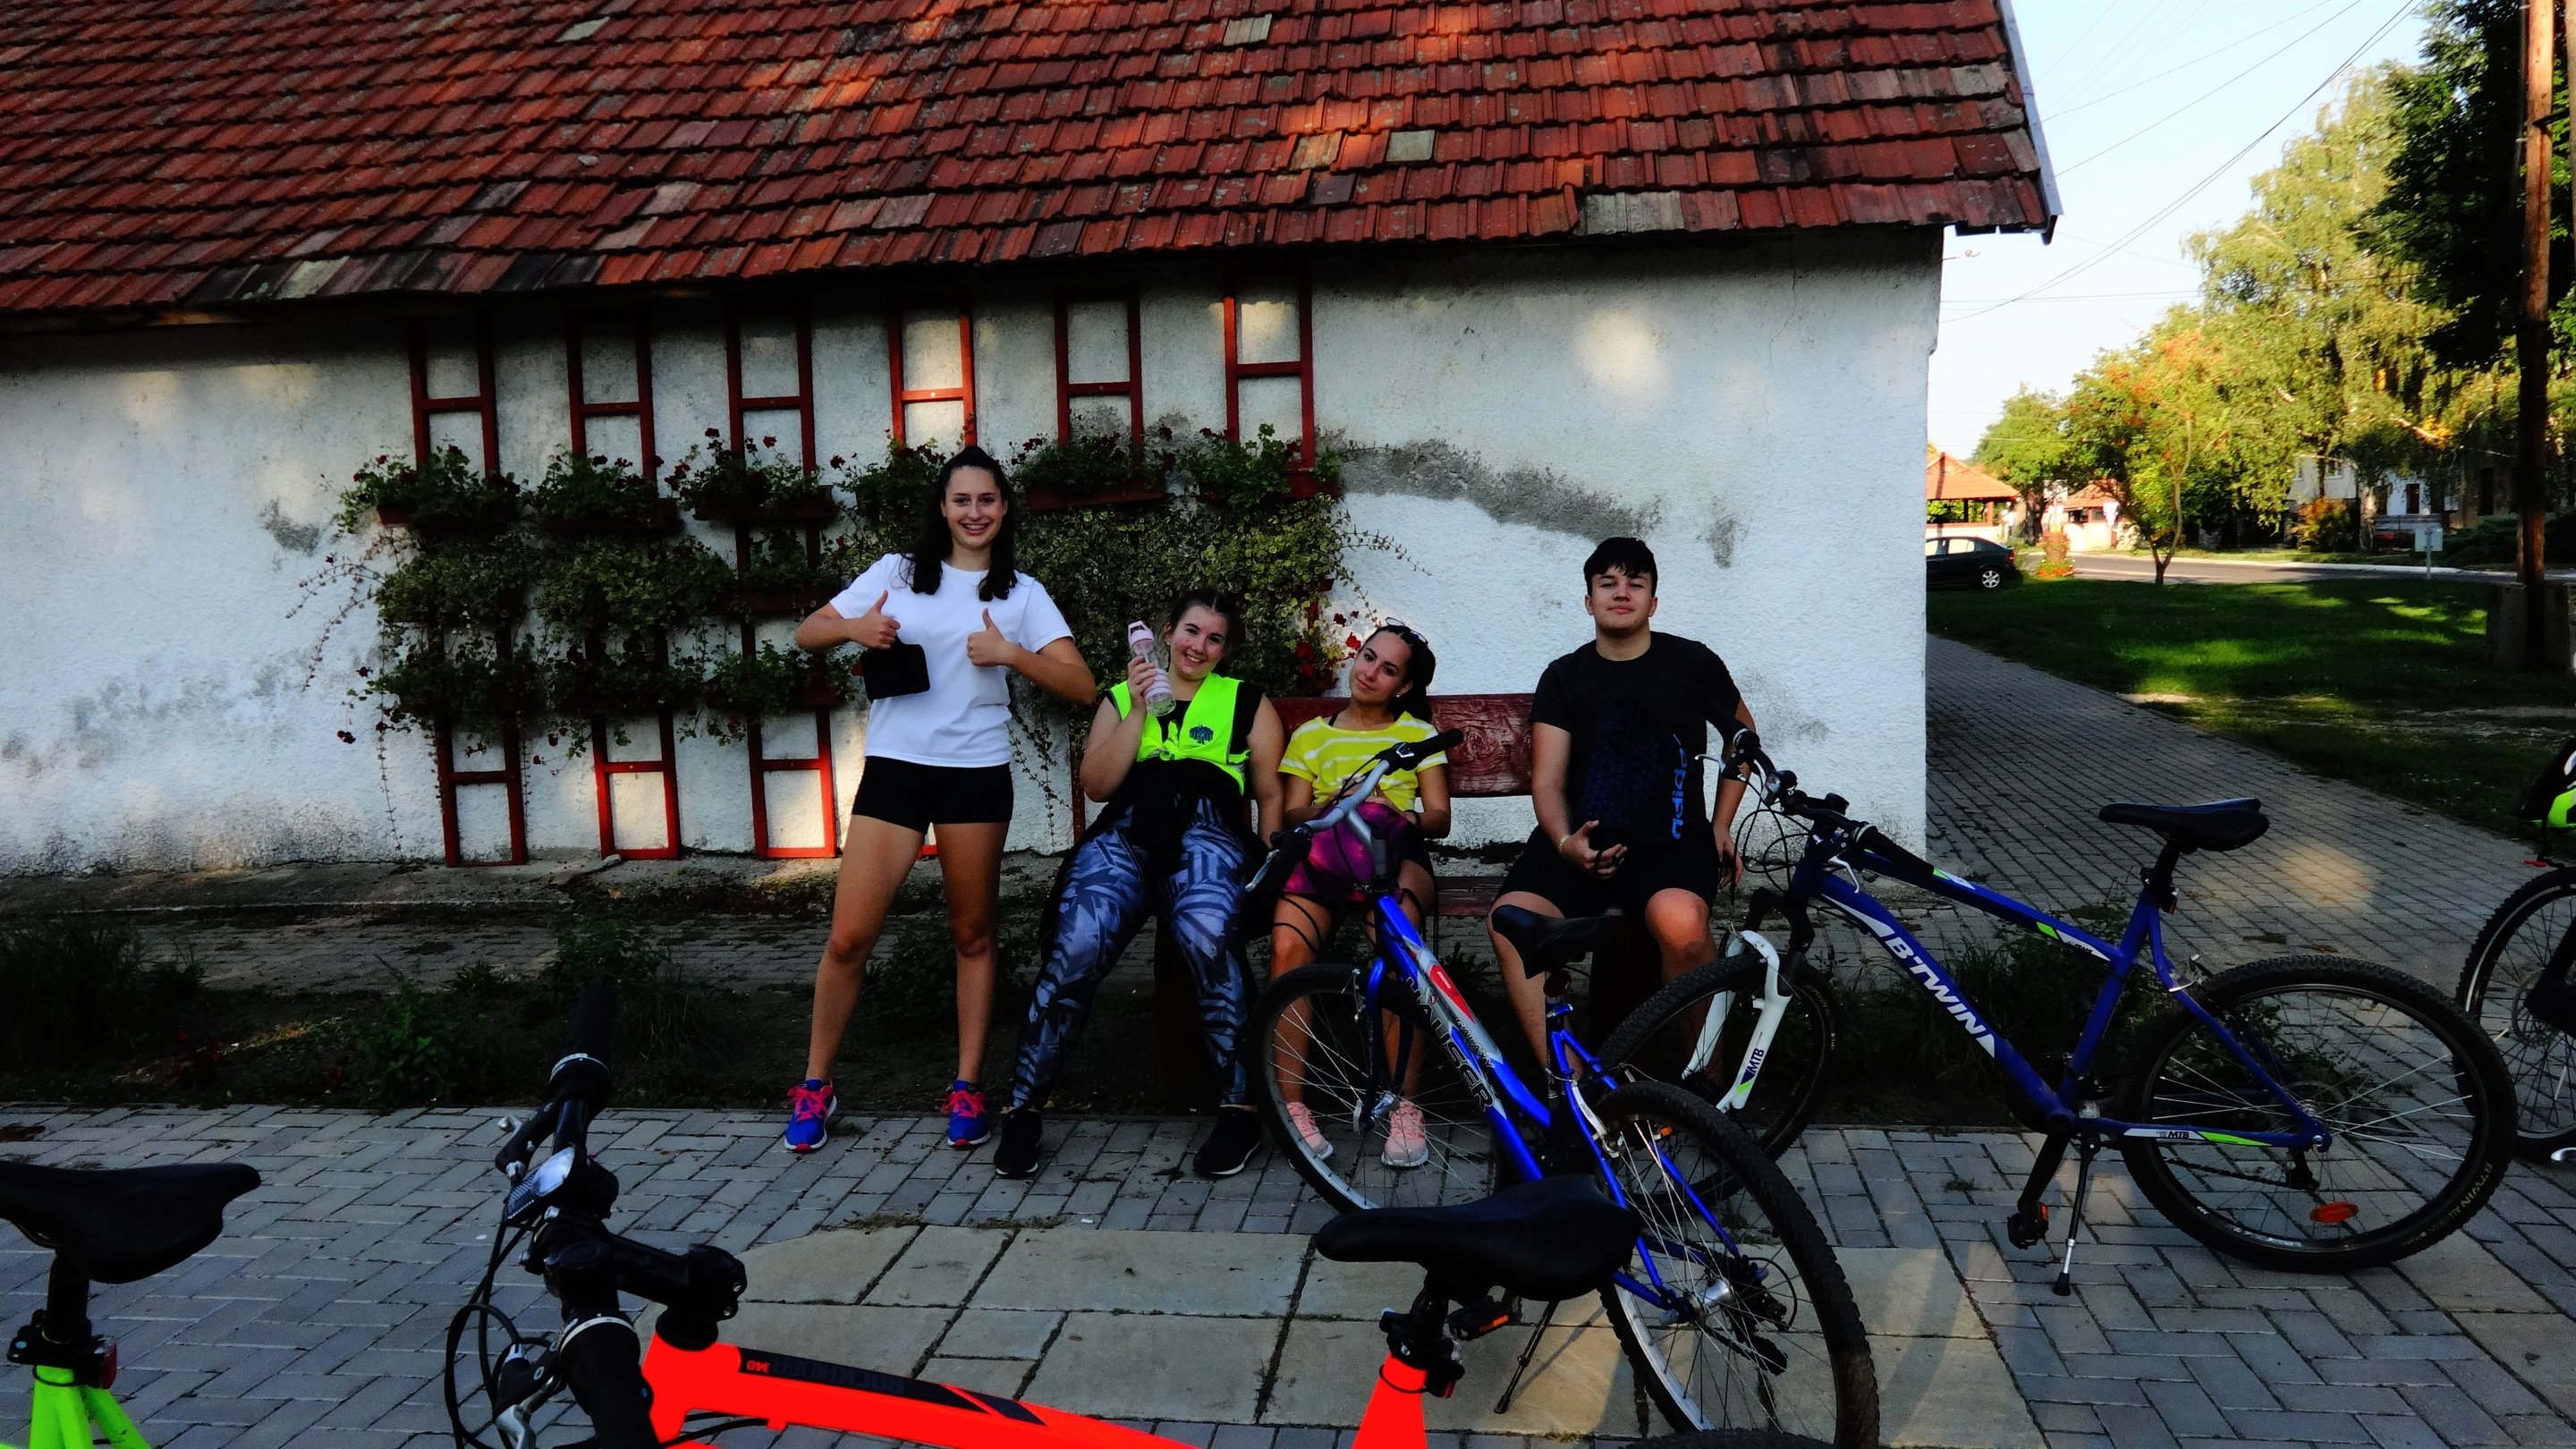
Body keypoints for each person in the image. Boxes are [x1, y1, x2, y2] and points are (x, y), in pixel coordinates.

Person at [783, 445, 1097, 1154]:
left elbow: (1082, 686)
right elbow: (808, 631)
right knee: (848, 936)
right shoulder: (896, 572)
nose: (974, 513)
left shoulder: (1022, 593)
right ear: (943, 508)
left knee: (973, 934)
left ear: (1004, 508)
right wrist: (854, 628)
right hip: (896, 768)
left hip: (974, 774)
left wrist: (1013, 655)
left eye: (987, 500)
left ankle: (966, 1086)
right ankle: (815, 1084)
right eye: (962, 501)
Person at [992, 590, 1286, 1181]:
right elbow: (1097, 785)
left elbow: (1271, 793)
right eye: (1191, 631)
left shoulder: (1247, 701)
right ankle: (1023, 1107)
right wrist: (1137, 712)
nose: (1199, 646)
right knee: (1077, 944)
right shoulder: (1122, 696)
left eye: (1215, 638)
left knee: (1206, 935)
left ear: (1226, 649)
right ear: (1166, 632)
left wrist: (1271, 864)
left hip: (1207, 833)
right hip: (1127, 834)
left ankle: (1241, 1110)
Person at [1486, 536, 1754, 1065]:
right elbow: (1548, 781)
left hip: (1671, 842)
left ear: (1654, 601)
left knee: (1684, 930)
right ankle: (1572, 1087)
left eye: (1636, 583)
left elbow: (1742, 740)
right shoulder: (1564, 676)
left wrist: (1722, 823)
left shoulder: (1693, 663)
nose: (1622, 593)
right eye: (1607, 583)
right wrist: (1566, 843)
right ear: (1589, 601)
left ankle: (1707, 1083)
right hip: (1583, 844)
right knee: (1510, 921)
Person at [1267, 623, 1450, 1167]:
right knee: (1287, 951)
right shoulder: (1312, 736)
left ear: (1404, 687)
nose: (1369, 672)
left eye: (1388, 669)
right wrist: (1339, 803)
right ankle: (1293, 1108)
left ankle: (1405, 1106)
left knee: (1398, 951)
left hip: (1392, 854)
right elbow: (1290, 814)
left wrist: (1396, 812)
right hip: (1326, 854)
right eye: (1368, 657)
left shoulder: (1417, 734)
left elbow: (1439, 819)